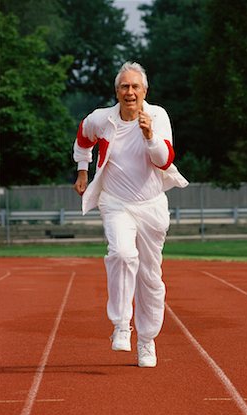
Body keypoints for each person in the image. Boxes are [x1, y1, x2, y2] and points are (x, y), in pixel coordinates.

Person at [73, 61, 188, 368]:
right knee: (122, 254)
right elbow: (83, 137)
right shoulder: (102, 119)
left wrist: (150, 136)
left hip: (151, 205)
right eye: (124, 86)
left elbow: (165, 161)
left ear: (144, 91)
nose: (130, 92)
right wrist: (83, 170)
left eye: (135, 86)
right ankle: (122, 324)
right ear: (117, 91)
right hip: (115, 202)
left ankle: (147, 341)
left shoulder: (158, 115)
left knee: (150, 275)